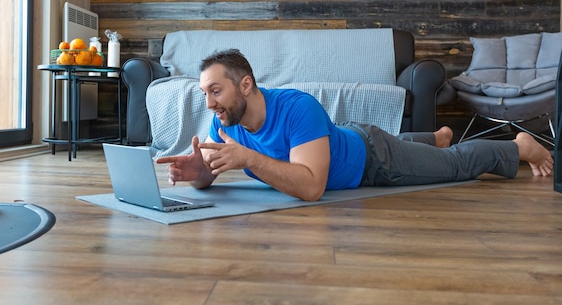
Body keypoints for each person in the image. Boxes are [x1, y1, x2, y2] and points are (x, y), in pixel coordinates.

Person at [157, 49, 554, 201]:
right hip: (344, 136)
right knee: (419, 147)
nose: (209, 104)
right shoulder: (227, 121)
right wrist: (199, 174)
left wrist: (249, 159)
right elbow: (210, 172)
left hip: (374, 160)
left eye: (215, 91)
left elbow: (311, 187)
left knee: (453, 166)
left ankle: (518, 146)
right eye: (204, 94)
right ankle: (434, 137)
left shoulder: (298, 108)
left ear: (246, 84)